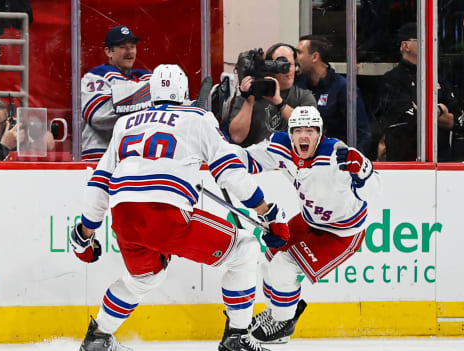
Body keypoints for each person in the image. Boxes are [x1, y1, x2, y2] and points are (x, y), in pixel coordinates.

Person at [71, 64, 290, 351]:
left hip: (124, 216)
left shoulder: (125, 123)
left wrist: (85, 234)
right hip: (167, 212)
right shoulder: (198, 117)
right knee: (245, 249)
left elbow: (100, 181)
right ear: (184, 91)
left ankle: (98, 338)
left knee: (145, 276)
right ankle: (237, 338)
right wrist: (267, 212)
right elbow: (229, 173)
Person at [232, 106, 380, 344]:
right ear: (290, 134)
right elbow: (246, 159)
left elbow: (373, 193)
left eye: (310, 131)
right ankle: (276, 312)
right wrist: (215, 153)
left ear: (319, 134)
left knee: (283, 266)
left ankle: (283, 323)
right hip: (309, 220)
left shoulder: (335, 156)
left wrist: (363, 171)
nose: (304, 136)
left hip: (342, 232)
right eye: (298, 130)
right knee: (269, 257)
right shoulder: (282, 147)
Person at [373, 22, 464, 161]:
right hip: (405, 161)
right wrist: (440, 109)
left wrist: (423, 110)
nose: (429, 43)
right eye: (422, 39)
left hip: (441, 161)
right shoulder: (392, 79)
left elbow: (457, 119)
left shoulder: (437, 76)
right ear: (405, 46)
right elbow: (408, 119)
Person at [81, 25, 153, 161]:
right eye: (123, 47)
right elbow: (98, 116)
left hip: (135, 159)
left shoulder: (145, 77)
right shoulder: (96, 77)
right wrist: (146, 100)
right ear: (108, 52)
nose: (129, 52)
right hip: (99, 158)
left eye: (132, 47)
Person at [228, 43, 316, 147]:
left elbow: (311, 129)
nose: (287, 70)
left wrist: (279, 102)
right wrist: (249, 100)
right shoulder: (248, 97)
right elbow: (237, 137)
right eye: (281, 64)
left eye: (290, 64)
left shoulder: (303, 96)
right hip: (257, 158)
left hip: (291, 159)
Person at [295, 34, 372, 154]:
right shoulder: (298, 84)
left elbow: (362, 133)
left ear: (314, 57)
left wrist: (352, 161)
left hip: (334, 161)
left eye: (299, 53)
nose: (296, 58)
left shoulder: (343, 88)